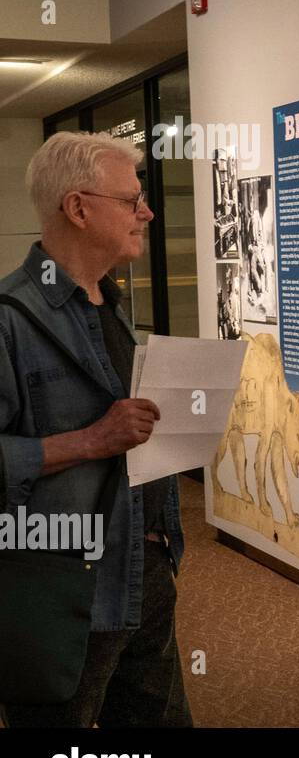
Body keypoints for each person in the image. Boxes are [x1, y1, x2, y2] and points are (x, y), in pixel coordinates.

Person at [0, 131, 191, 727]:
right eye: (132, 200)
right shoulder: (10, 320)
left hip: (145, 567)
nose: (147, 212)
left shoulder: (109, 305)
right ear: (79, 208)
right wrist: (90, 441)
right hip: (64, 591)